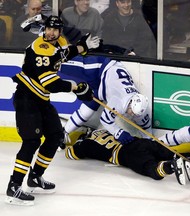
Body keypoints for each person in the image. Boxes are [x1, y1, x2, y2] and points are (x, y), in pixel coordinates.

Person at [5, 15, 99, 206]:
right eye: (48, 29)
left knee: (55, 136)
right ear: (44, 29)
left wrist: (83, 47)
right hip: (27, 99)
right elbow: (51, 83)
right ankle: (14, 186)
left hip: (41, 99)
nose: (51, 33)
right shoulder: (40, 49)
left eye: (55, 30)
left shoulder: (59, 42)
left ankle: (35, 177)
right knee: (31, 142)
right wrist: (77, 87)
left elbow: (65, 53)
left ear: (59, 32)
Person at [59, 55, 152, 146]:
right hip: (101, 67)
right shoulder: (119, 101)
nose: (132, 115)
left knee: (86, 112)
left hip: (104, 87)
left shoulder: (139, 108)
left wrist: (150, 143)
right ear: (130, 104)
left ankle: (63, 133)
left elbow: (146, 129)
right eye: (132, 112)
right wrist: (119, 133)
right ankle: (48, 59)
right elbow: (105, 120)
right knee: (65, 65)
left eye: (135, 114)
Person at [65, 129, 180, 181]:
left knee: (148, 167)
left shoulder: (87, 144)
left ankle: (163, 168)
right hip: (139, 141)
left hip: (126, 152)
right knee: (168, 153)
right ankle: (188, 157)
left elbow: (70, 153)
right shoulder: (104, 130)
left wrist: (76, 142)